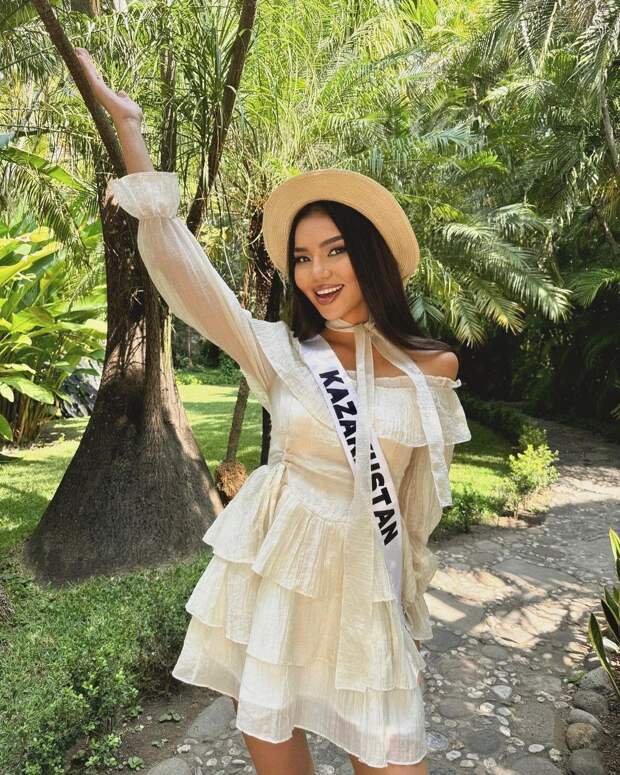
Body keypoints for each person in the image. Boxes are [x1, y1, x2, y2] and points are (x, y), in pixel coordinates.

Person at [76, 47, 472, 775]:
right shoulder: (281, 354)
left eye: (336, 251)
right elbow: (186, 274)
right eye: (303, 256)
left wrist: (404, 604)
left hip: (364, 594)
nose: (317, 272)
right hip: (278, 585)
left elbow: (415, 501)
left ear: (372, 255)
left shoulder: (432, 368)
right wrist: (130, 128)